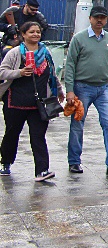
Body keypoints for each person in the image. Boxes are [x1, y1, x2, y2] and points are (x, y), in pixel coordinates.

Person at [66, 6, 108, 176]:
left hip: (104, 88)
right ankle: (74, 161)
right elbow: (70, 65)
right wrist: (70, 90)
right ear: (90, 19)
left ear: (106, 19)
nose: (99, 20)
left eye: (103, 17)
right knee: (78, 124)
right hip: (82, 87)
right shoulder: (79, 39)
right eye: (96, 17)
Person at [0, 21, 64, 181]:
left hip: (39, 103)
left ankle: (42, 170)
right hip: (16, 102)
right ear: (23, 35)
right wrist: (20, 72)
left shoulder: (46, 53)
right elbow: (2, 72)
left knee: (38, 136)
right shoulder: (15, 53)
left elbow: (52, 74)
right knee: (12, 133)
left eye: (38, 32)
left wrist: (59, 90)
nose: (35, 35)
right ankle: (5, 162)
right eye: (31, 32)